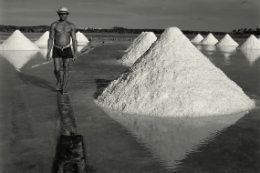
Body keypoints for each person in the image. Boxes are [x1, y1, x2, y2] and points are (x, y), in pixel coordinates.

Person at [46, 6, 77, 94]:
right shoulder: (54, 25)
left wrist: (75, 53)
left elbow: (74, 40)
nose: (63, 16)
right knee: (57, 69)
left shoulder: (71, 26)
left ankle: (64, 86)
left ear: (67, 15)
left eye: (64, 14)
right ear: (59, 14)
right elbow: (51, 39)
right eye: (61, 14)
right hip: (57, 48)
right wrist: (48, 52)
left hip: (67, 48)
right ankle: (59, 80)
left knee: (66, 68)